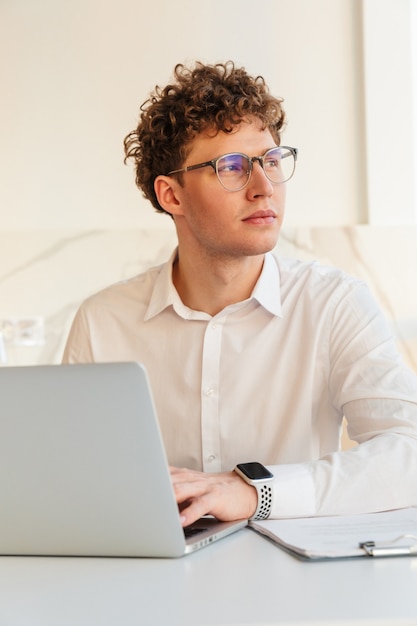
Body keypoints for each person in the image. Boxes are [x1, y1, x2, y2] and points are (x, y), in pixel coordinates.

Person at [62, 60, 417, 526]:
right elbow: (70, 478)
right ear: (172, 196)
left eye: (271, 161)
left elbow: (408, 455)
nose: (263, 187)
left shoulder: (334, 304)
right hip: (150, 582)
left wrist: (255, 493)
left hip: (299, 584)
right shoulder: (103, 321)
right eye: (230, 166)